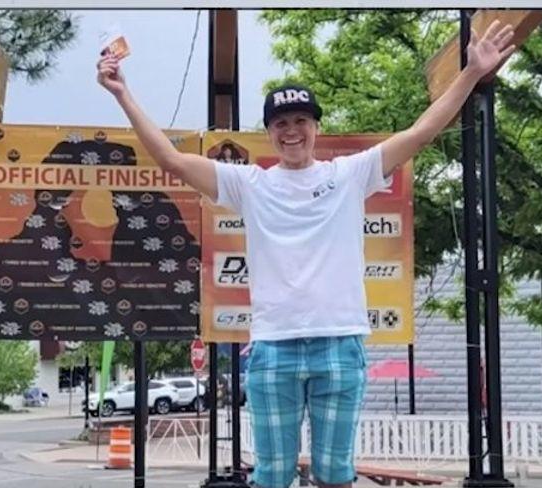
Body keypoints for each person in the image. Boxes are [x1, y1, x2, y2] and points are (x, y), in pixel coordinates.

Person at [96, 20, 516, 488]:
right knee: (273, 476)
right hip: (274, 347)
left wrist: (471, 72)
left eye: (300, 121)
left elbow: (421, 133)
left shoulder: (349, 174)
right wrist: (122, 94)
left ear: (316, 126)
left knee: (335, 474)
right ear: (269, 132)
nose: (291, 131)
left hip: (339, 343)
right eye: (281, 123)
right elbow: (172, 160)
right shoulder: (250, 184)